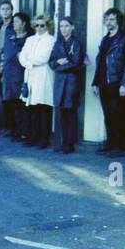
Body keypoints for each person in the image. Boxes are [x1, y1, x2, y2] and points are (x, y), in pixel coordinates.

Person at [92, 8, 125, 156]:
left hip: (116, 81)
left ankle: (119, 147)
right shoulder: (105, 39)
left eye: (111, 19)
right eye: (107, 19)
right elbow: (100, 61)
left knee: (117, 115)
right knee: (108, 115)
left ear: (118, 21)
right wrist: (95, 82)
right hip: (104, 82)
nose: (108, 22)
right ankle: (110, 144)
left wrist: (124, 84)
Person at [49, 17, 86, 153]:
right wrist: (58, 62)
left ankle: (69, 144)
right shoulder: (57, 43)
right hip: (60, 83)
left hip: (71, 82)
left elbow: (76, 63)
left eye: (66, 26)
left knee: (70, 112)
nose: (63, 29)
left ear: (72, 27)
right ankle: (62, 142)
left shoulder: (76, 43)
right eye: (61, 26)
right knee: (62, 113)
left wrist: (60, 66)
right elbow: (51, 62)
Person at [19, 15, 56, 148]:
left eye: (42, 25)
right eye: (37, 25)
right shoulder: (30, 39)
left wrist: (29, 61)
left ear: (47, 26)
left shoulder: (51, 40)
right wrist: (27, 63)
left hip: (43, 76)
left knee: (43, 107)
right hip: (30, 75)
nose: (39, 28)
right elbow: (22, 55)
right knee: (31, 107)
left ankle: (43, 139)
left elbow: (44, 57)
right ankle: (32, 136)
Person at [1, 12, 31, 140]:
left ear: (24, 23)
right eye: (14, 22)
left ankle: (23, 131)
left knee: (21, 104)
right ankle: (12, 129)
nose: (14, 24)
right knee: (9, 103)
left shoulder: (29, 39)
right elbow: (5, 52)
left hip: (20, 74)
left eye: (17, 21)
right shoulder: (10, 37)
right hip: (8, 73)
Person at [0, 0, 15, 135]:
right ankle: (2, 125)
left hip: (8, 66)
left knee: (9, 97)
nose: (5, 11)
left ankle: (11, 126)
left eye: (8, 9)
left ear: (11, 11)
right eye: (3, 9)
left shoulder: (14, 26)